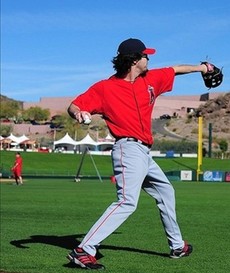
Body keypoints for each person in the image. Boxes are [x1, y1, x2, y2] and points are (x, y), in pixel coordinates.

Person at [66, 38, 212, 270]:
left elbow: (175, 69)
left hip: (144, 152)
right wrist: (79, 114)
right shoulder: (104, 88)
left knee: (166, 191)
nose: (149, 58)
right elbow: (74, 106)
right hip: (127, 149)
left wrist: (203, 68)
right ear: (134, 60)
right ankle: (84, 249)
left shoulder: (151, 79)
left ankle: (177, 246)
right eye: (145, 55)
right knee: (126, 201)